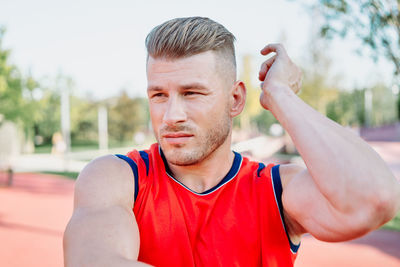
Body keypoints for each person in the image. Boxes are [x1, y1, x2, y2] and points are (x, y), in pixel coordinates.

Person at [63, 17, 400, 267]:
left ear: (236, 99)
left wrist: (280, 95)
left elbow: (374, 199)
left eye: (192, 93)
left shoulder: (276, 191)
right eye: (159, 95)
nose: (170, 115)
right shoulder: (115, 178)